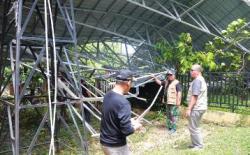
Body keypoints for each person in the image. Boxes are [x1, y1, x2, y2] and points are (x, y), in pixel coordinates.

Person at [100, 69, 142, 155]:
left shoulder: (108, 95)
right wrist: (136, 126)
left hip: (104, 143)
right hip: (116, 146)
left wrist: (129, 121)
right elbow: (127, 130)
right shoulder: (123, 103)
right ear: (128, 83)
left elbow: (111, 118)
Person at [152, 70, 182, 134]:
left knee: (173, 115)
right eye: (168, 75)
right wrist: (155, 78)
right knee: (168, 115)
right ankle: (170, 127)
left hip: (174, 102)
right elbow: (160, 83)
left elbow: (179, 93)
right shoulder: (167, 82)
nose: (169, 76)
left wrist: (178, 102)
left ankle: (174, 129)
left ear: (174, 75)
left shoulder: (177, 83)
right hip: (168, 102)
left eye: (171, 75)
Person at [185, 64, 208, 150]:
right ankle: (195, 144)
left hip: (196, 108)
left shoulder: (197, 81)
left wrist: (189, 109)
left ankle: (199, 145)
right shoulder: (200, 80)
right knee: (194, 126)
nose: (190, 72)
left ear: (197, 72)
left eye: (192, 70)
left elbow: (194, 96)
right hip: (200, 107)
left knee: (194, 127)